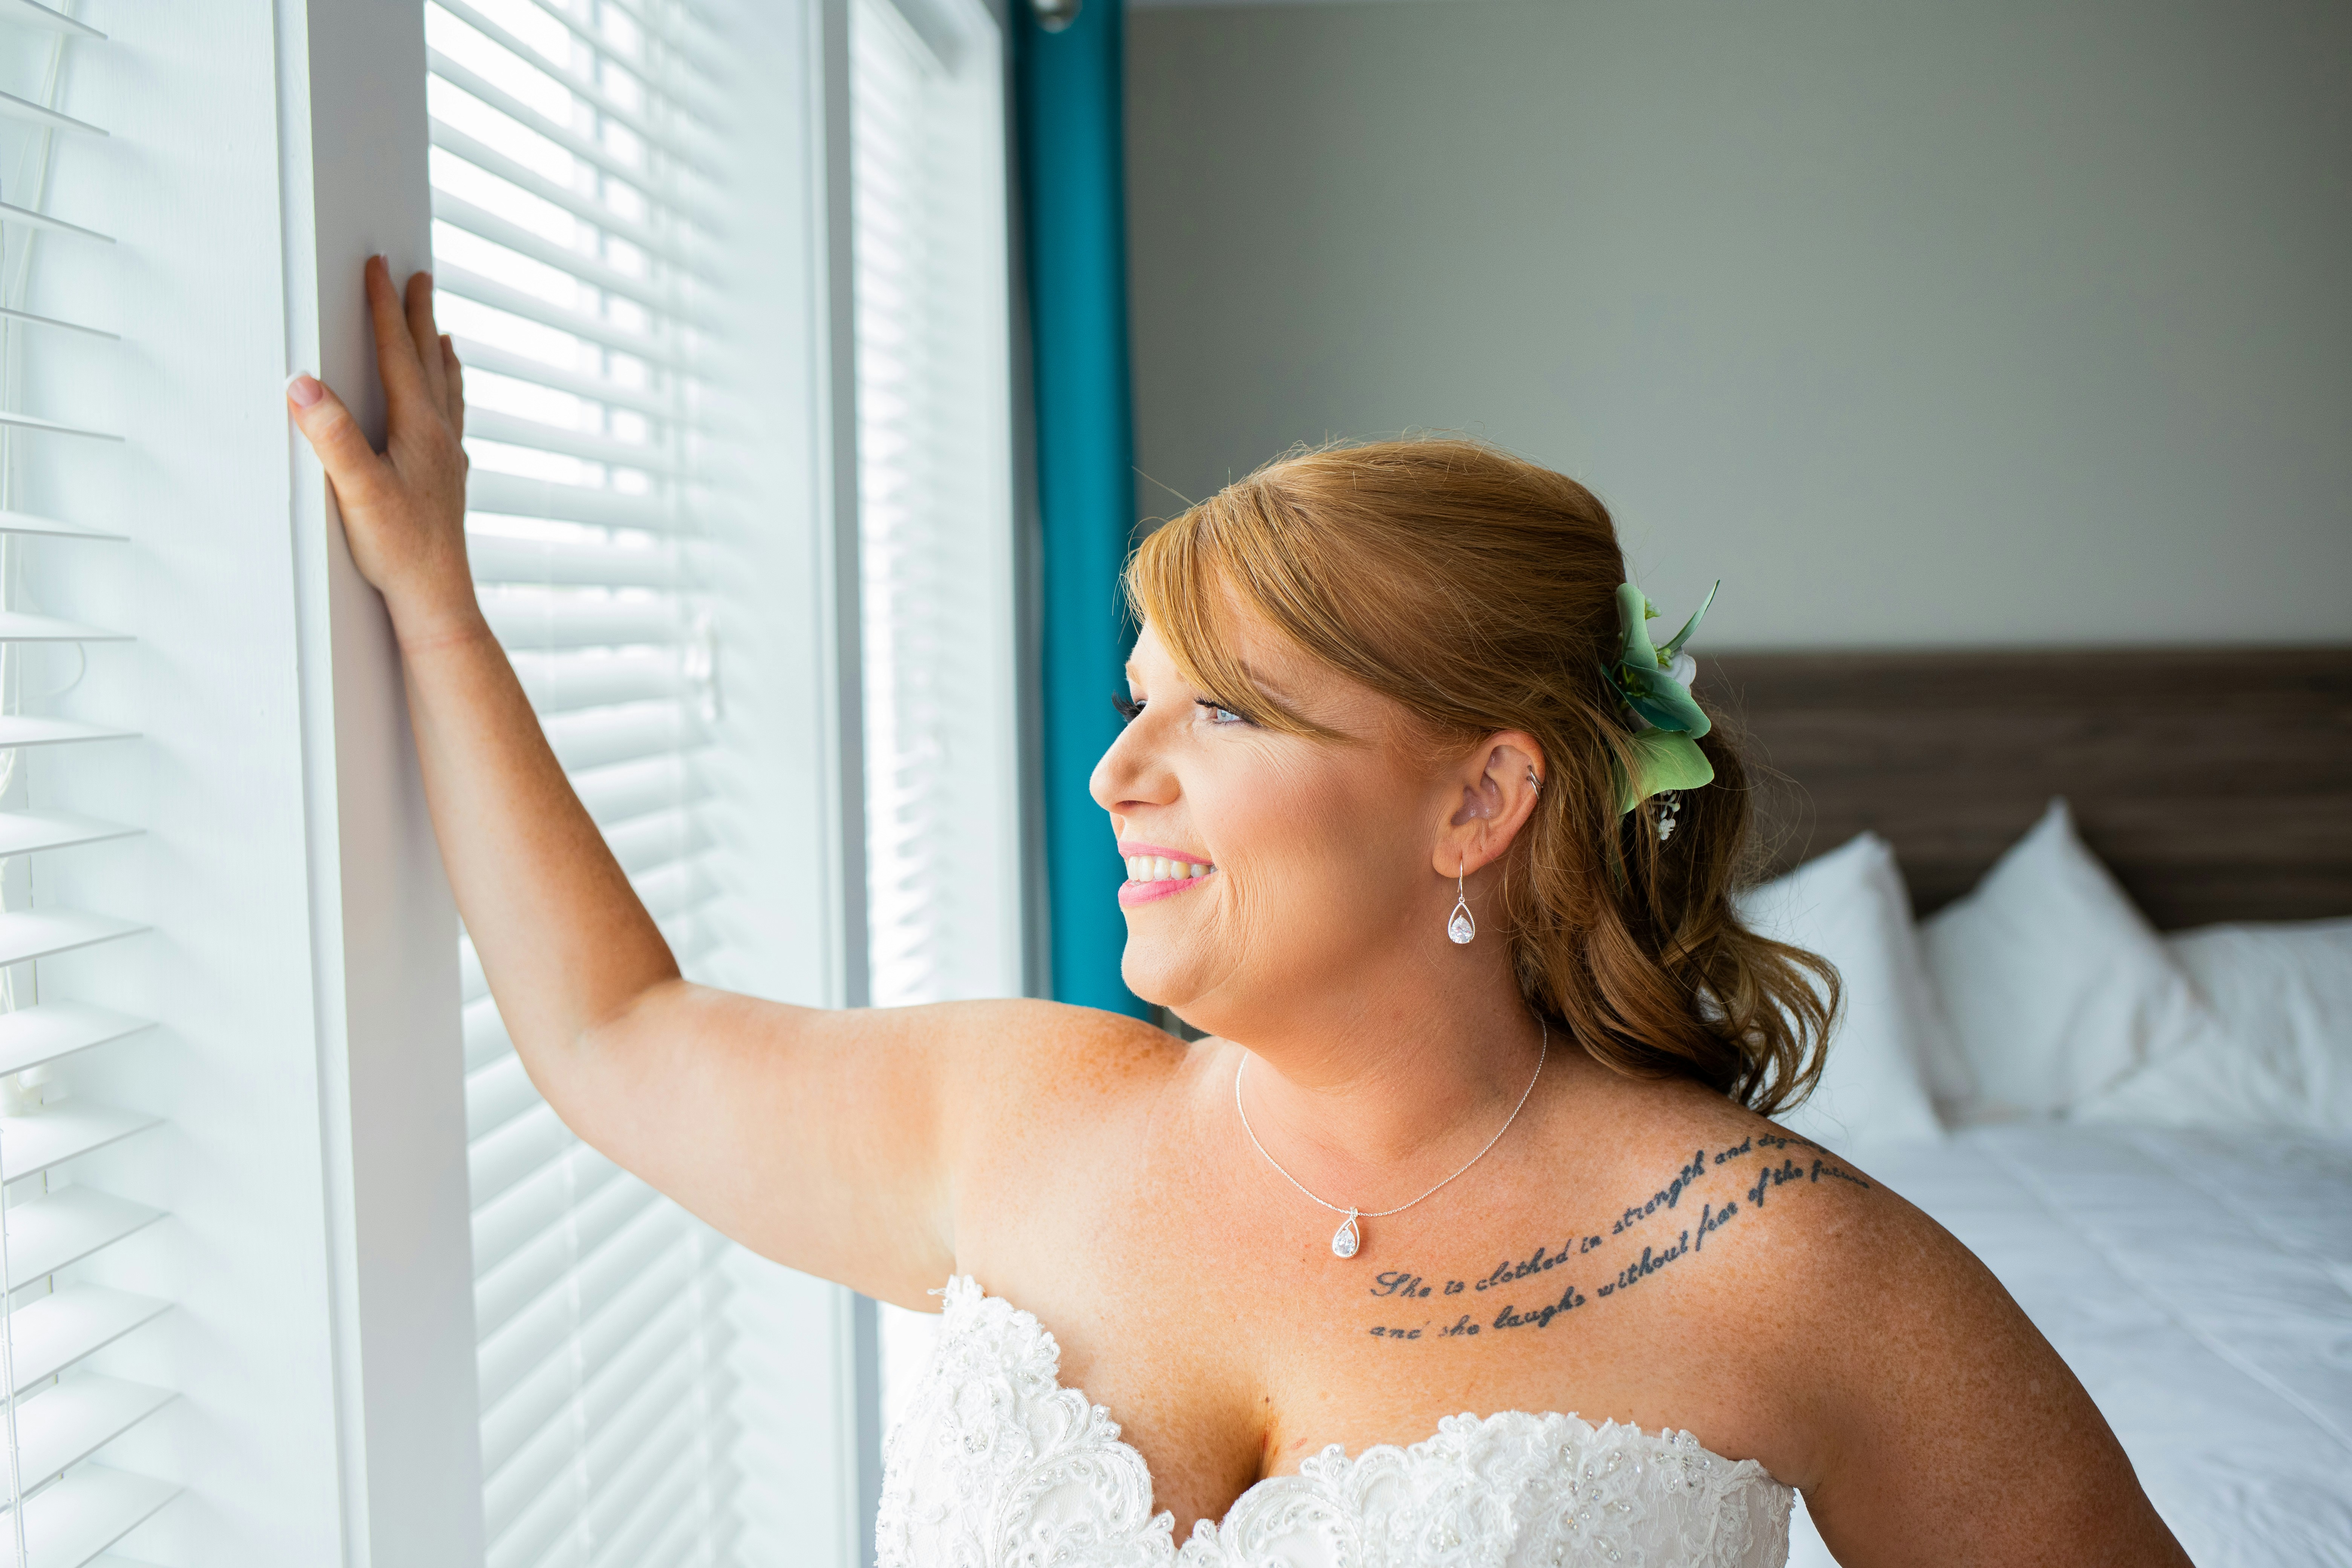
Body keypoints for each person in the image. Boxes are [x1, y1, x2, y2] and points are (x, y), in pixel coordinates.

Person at [285, 258, 2189, 1568]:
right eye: (1136, 699)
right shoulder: (1015, 1117)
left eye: (1226, 709)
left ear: (1480, 795)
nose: (1120, 771)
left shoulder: (1790, 1271)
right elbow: (617, 1033)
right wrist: (438, 603)